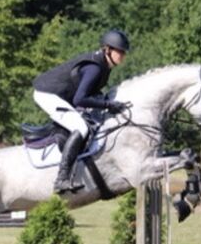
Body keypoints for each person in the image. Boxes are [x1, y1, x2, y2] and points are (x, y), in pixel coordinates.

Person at [32, 29, 130, 193]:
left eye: (123, 52)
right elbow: (79, 99)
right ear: (107, 50)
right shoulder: (95, 68)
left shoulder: (104, 65)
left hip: (59, 95)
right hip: (46, 94)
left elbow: (89, 93)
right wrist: (108, 105)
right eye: (119, 51)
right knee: (81, 127)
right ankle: (62, 178)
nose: (122, 55)